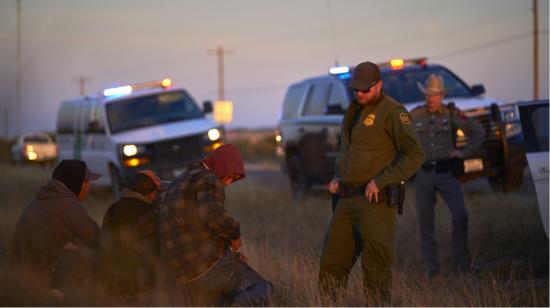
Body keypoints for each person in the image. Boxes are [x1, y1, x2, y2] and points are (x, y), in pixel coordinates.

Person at [319, 61, 425, 303]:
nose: (359, 93)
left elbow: (415, 155)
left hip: (375, 202)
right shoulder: (353, 111)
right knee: (331, 264)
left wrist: (381, 181)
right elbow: (346, 150)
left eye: (365, 89)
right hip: (345, 200)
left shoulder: (393, 112)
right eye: (356, 89)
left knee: (376, 269)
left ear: (379, 85)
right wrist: (337, 176)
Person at [158, 144, 272, 306]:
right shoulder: (207, 180)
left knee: (224, 298)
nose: (229, 183)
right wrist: (235, 236)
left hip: (180, 278)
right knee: (264, 290)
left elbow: (196, 225)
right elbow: (214, 215)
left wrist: (229, 254)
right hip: (205, 268)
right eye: (231, 176)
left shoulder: (177, 183)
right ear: (222, 165)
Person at [411, 74, 485, 277]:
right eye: (428, 95)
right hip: (423, 173)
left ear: (442, 94)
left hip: (446, 173)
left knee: (461, 215)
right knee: (426, 222)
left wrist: (463, 153)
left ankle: (462, 263)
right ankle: (431, 267)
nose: (431, 99)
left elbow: (478, 132)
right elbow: (400, 138)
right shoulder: (415, 114)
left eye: (435, 95)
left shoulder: (452, 113)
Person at [10, 159, 101, 285]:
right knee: (97, 258)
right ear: (74, 181)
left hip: (20, 270)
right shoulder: (67, 205)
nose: (89, 186)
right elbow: (98, 238)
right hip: (37, 277)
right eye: (86, 181)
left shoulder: (45, 198)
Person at [98, 170, 165, 299]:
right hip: (140, 280)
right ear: (150, 194)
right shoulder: (149, 214)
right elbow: (152, 251)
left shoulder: (113, 208)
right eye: (156, 191)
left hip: (112, 276)